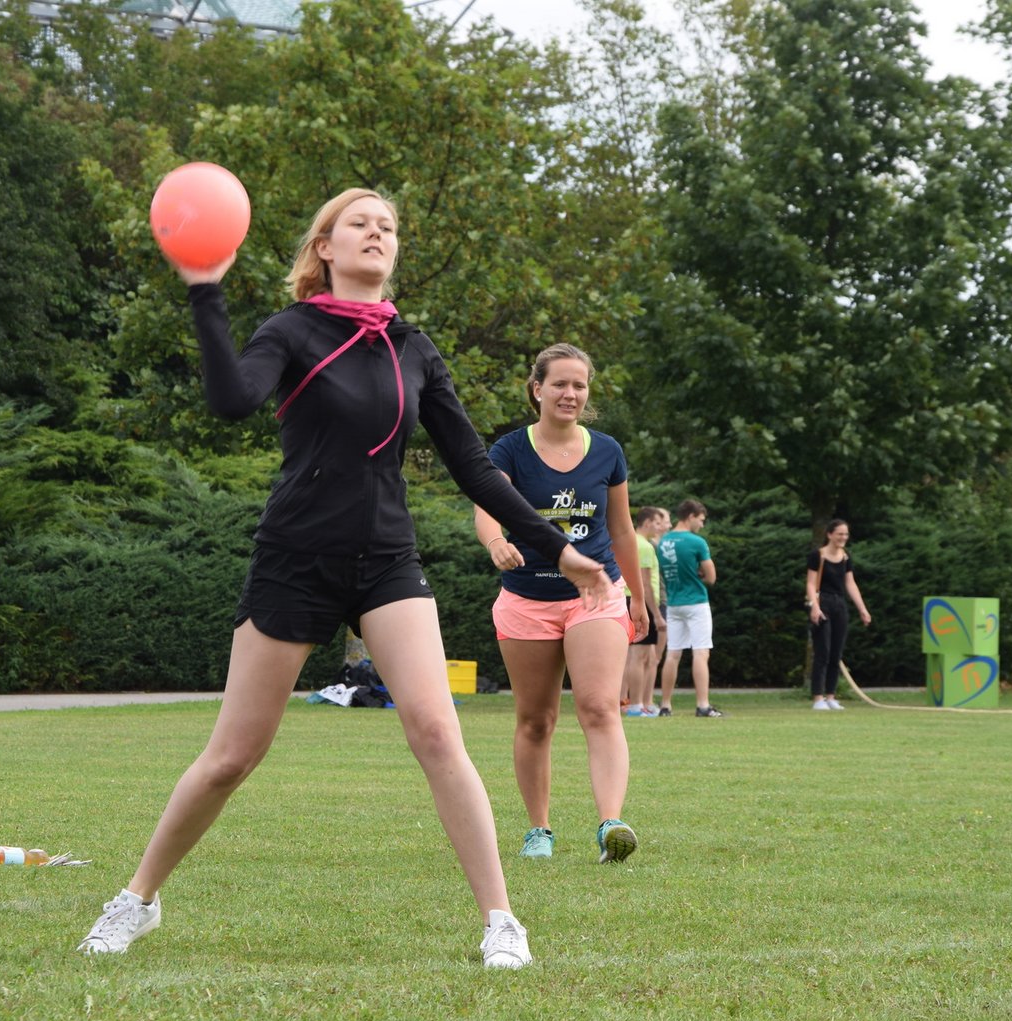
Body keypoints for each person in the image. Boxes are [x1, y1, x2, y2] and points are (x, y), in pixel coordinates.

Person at [77, 189, 611, 970]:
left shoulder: (414, 348)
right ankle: (137, 900)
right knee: (231, 757)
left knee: (438, 732)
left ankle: (502, 920)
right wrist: (205, 289)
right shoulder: (292, 331)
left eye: (387, 226)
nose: (377, 233)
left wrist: (555, 550)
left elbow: (472, 467)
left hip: (386, 562)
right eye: (359, 223)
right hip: (294, 559)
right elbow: (231, 402)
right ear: (325, 246)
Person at [474, 344, 649, 864]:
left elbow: (622, 529)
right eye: (560, 384)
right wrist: (495, 541)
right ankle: (539, 831)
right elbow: (487, 507)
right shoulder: (510, 449)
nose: (570, 393)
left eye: (579, 385)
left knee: (599, 707)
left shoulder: (607, 451)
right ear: (538, 389)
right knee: (536, 720)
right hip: (527, 597)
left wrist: (638, 597)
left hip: (596, 594)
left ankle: (611, 824)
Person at [657, 499, 723, 717]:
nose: (702, 525)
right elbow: (711, 577)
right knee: (701, 652)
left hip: (674, 603)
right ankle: (703, 705)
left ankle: (665, 705)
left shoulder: (664, 541)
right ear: (691, 516)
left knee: (673, 654)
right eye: (701, 520)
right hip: (695, 602)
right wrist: (699, 574)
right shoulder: (697, 542)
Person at [806, 519, 872, 710]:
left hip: (839, 604)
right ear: (830, 534)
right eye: (839, 534)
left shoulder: (845, 557)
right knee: (823, 651)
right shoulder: (818, 555)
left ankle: (831, 696)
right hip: (822, 603)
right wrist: (814, 607)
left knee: (836, 652)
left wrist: (862, 609)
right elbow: (810, 583)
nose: (843, 537)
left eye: (846, 534)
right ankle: (818, 698)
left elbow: (850, 583)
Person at [623, 506, 670, 716]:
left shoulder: (634, 541)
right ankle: (635, 705)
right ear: (648, 522)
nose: (659, 527)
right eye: (657, 523)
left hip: (633, 599)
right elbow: (644, 582)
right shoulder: (643, 546)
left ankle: (642, 703)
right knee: (638, 655)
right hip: (640, 601)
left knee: (646, 656)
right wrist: (656, 615)